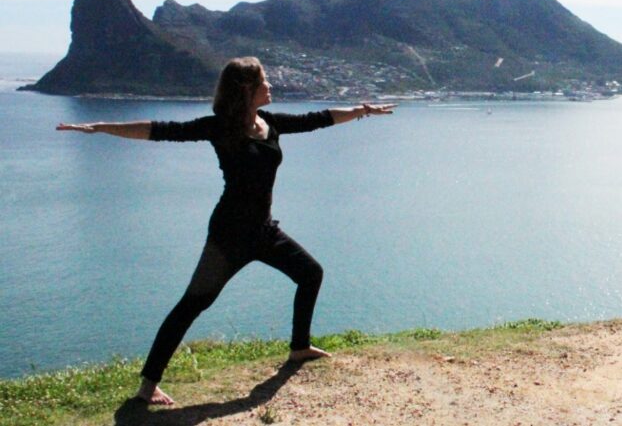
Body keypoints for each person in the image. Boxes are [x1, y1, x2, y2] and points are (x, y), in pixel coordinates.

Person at [56, 56, 396, 406]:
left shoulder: (271, 124)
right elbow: (159, 130)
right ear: (246, 89)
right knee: (192, 305)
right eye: (264, 81)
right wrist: (99, 127)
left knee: (311, 273)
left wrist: (362, 110)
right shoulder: (219, 128)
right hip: (228, 238)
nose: (270, 86)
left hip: (264, 232)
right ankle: (147, 386)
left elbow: (318, 120)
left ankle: (298, 347)